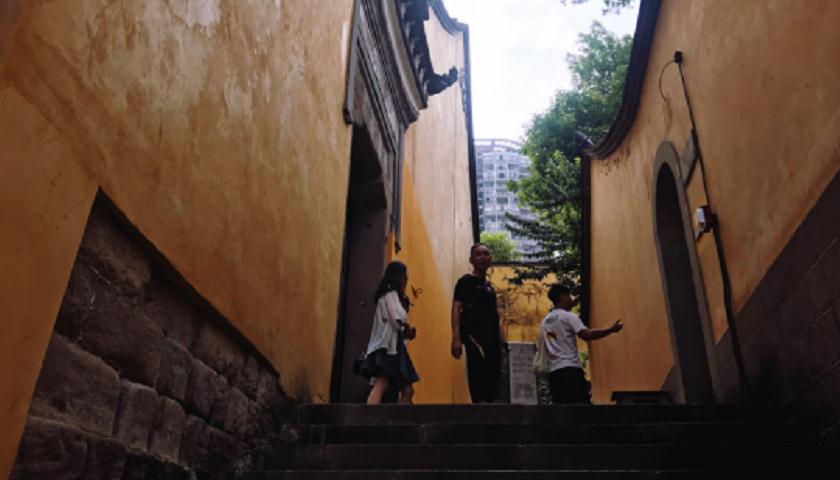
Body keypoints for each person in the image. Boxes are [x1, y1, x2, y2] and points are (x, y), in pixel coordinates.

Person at [540, 283, 623, 404]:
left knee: (562, 411)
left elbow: (550, 342)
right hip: (571, 370)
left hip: (554, 373)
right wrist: (610, 330)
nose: (571, 300)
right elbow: (586, 335)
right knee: (582, 409)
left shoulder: (545, 322)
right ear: (562, 296)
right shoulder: (568, 316)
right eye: (569, 296)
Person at [450, 243, 506, 403]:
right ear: (471, 260)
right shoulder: (465, 282)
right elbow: (456, 309)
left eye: (486, 254)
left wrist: (502, 338)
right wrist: (456, 338)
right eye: (478, 254)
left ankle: (489, 407)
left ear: (490, 258)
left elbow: (494, 315)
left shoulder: (489, 288)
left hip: (493, 340)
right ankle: (479, 406)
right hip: (473, 336)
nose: (482, 257)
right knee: (477, 373)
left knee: (494, 376)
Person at [357, 261, 419, 404]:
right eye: (405, 276)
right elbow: (396, 317)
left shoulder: (387, 295)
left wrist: (405, 331)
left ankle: (394, 416)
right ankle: (369, 415)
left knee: (406, 389)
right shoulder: (389, 294)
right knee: (383, 383)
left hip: (394, 346)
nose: (406, 280)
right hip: (389, 347)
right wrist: (406, 326)